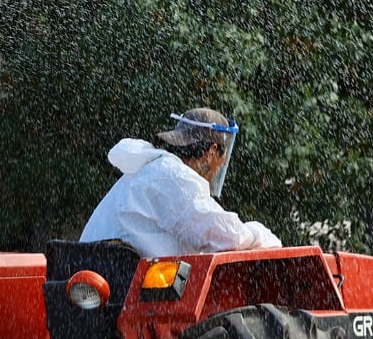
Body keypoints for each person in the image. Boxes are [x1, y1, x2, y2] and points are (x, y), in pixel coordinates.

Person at [79, 108, 282, 257]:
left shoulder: (151, 169)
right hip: (122, 289)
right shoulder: (176, 179)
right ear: (211, 152)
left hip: (98, 282)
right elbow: (228, 238)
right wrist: (265, 238)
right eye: (222, 158)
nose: (220, 167)